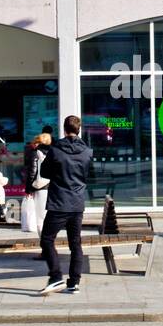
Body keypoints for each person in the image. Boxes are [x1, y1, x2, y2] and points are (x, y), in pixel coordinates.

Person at [38, 114, 93, 295]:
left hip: (59, 203)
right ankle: (74, 283)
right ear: (79, 129)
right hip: (77, 203)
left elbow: (45, 173)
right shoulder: (87, 151)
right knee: (75, 243)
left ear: (64, 129)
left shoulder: (56, 149)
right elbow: (89, 175)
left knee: (47, 239)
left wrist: (59, 172)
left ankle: (55, 277)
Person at [22, 131, 52, 235]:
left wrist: (28, 190)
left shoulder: (36, 153)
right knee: (47, 218)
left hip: (40, 188)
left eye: (35, 141)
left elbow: (32, 172)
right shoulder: (53, 152)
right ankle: (48, 244)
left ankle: (45, 246)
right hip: (51, 188)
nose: (33, 144)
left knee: (40, 220)